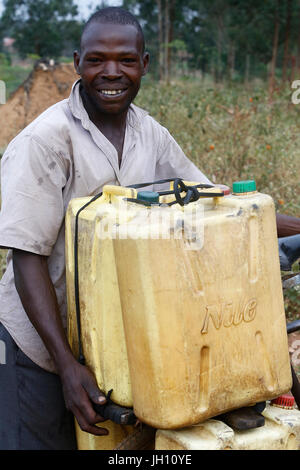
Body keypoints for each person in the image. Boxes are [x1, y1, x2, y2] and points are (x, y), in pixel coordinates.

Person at [0, 7, 299, 451]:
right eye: (97, 60)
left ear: (145, 64)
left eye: (125, 59)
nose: (111, 72)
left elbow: (216, 210)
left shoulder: (150, 134)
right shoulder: (46, 141)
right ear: (78, 63)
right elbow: (26, 257)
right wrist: (66, 366)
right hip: (40, 348)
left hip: (108, 342)